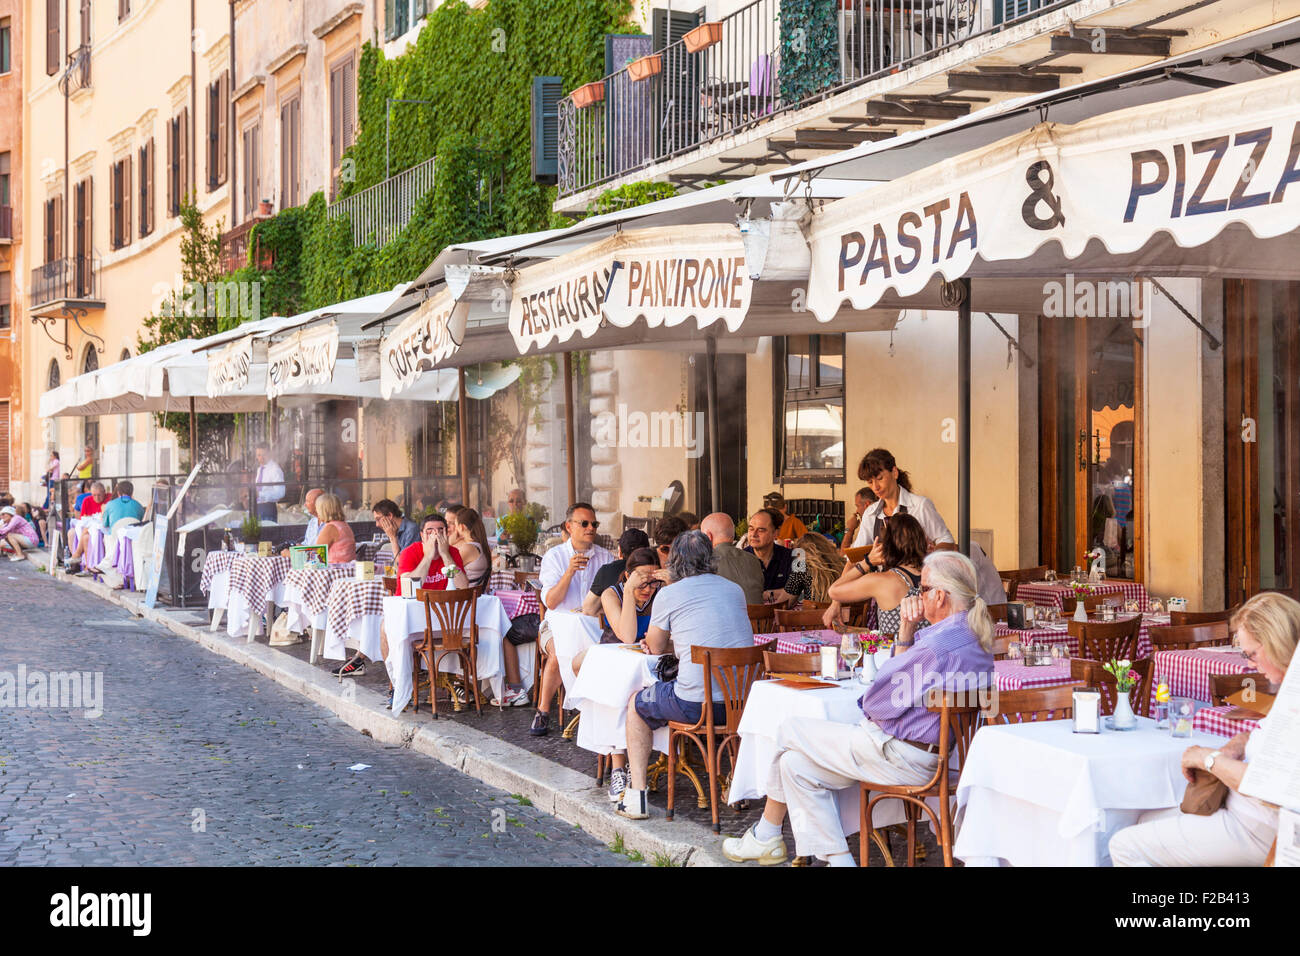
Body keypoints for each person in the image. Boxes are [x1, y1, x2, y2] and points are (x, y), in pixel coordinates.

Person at [722, 550, 995, 865]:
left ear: (941, 597)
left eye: (922, 588)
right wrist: (907, 634)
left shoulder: (936, 646)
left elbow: (877, 704)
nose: (916, 595)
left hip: (906, 757)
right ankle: (833, 859)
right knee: (794, 765)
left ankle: (767, 833)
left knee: (788, 729)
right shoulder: (977, 636)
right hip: (949, 755)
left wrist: (905, 632)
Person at [1108, 592, 1296, 867]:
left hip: (1260, 830)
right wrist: (1234, 746)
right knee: (1144, 819)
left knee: (1124, 846)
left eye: (1251, 653)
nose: (1248, 664)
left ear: (1277, 642)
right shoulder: (1291, 687)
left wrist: (1207, 759)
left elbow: (1267, 785)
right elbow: (1261, 734)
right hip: (1246, 814)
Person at [617, 531, 756, 820]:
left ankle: (637, 796)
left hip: (694, 706)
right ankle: (735, 788)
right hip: (740, 707)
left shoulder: (669, 594)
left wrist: (663, 642)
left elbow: (654, 647)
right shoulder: (734, 590)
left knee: (636, 704)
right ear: (711, 558)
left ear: (675, 563)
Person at [573, 546, 664, 803]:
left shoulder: (661, 595)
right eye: (641, 582)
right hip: (612, 662)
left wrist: (665, 586)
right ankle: (617, 768)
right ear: (627, 576)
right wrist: (628, 593)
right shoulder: (612, 594)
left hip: (645, 663)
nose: (647, 589)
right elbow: (626, 635)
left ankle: (644, 761)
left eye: (652, 582)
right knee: (618, 695)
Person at [530, 502, 614, 736]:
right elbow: (552, 603)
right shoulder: (555, 556)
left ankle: (593, 708)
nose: (591, 528)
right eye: (584, 523)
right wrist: (569, 572)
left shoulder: (605, 557)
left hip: (591, 625)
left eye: (594, 524)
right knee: (559, 653)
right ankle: (543, 710)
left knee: (606, 654)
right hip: (556, 623)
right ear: (569, 526)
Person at [826, 513, 929, 636]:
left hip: (896, 653)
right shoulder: (935, 576)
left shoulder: (881, 581)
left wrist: (867, 562)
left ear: (886, 544)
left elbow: (834, 591)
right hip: (930, 653)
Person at [848, 448, 953, 550]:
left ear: (894, 472)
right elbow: (857, 552)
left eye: (880, 478)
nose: (875, 487)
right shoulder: (870, 513)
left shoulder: (920, 506)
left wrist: (930, 557)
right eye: (870, 482)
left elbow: (946, 540)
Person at [582, 528, 651, 617]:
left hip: (617, 627)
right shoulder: (654, 571)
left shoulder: (607, 571)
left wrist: (612, 610)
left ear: (620, 552)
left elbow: (588, 610)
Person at [701, 512, 763, 605]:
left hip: (724, 618)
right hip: (756, 618)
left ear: (708, 536)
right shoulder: (753, 560)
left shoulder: (704, 560)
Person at [743, 508, 795, 604]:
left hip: (783, 615)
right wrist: (781, 592)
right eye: (751, 529)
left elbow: (798, 590)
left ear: (775, 533)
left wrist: (767, 594)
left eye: (761, 530)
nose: (754, 534)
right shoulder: (740, 559)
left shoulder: (791, 557)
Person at [778, 533, 844, 606]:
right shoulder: (843, 565)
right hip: (845, 615)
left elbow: (783, 604)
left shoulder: (802, 569)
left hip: (814, 615)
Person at [63, 482, 108, 572]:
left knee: (86, 537)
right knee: (73, 533)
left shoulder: (109, 499)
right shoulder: (87, 500)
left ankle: (79, 557)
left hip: (103, 529)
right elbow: (83, 520)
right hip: (90, 529)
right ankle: (81, 562)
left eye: (99, 495)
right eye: (94, 495)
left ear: (104, 492)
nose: (97, 498)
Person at [447, 506, 491, 590]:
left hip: (467, 598)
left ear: (462, 527)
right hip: (475, 595)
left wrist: (449, 543)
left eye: (455, 525)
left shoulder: (469, 548)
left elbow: (447, 568)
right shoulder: (479, 544)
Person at [313, 493, 356, 565]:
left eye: (317, 509)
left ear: (323, 511)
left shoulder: (331, 528)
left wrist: (290, 553)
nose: (317, 512)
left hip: (334, 569)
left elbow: (316, 553)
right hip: (347, 569)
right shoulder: (344, 525)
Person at [280, 488, 324, 558]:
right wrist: (298, 547)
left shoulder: (330, 524)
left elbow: (320, 552)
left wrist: (292, 554)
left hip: (319, 563)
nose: (305, 505)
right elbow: (306, 544)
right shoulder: (312, 522)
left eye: (307, 501)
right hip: (310, 561)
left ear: (318, 503)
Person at [252, 442, 285, 523]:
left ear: (270, 454)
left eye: (264, 454)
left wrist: (260, 494)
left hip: (268, 508)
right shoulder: (260, 469)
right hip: (257, 507)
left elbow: (281, 493)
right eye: (259, 455)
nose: (261, 458)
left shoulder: (275, 469)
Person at [840, 486, 876, 554]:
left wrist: (849, 529)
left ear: (867, 505)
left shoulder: (868, 523)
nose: (857, 511)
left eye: (858, 506)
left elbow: (844, 555)